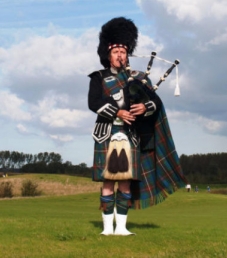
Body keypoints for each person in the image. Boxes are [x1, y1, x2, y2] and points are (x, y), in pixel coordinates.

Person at [88, 17, 188, 236]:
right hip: (107, 134)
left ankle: (122, 228)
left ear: (128, 54)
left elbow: (156, 103)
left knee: (125, 182)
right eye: (116, 52)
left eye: (123, 51)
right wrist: (118, 111)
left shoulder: (139, 78)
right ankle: (107, 229)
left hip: (130, 135)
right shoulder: (98, 78)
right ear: (108, 53)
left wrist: (144, 107)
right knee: (107, 180)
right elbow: (93, 103)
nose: (120, 55)